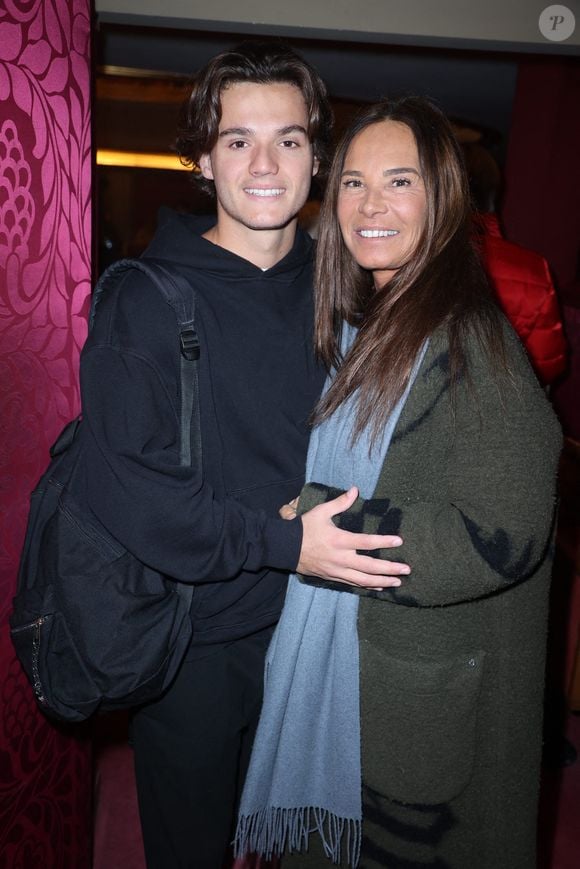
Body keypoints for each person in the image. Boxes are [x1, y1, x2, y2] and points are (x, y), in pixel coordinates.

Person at [81, 43, 408, 869]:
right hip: (196, 641)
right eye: (237, 140)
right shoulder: (144, 299)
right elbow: (131, 492)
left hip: (319, 627)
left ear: (316, 157)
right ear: (201, 156)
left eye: (290, 140)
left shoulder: (344, 289)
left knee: (310, 849)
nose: (265, 164)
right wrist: (287, 543)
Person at [234, 97, 562, 869]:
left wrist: (324, 524)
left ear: (442, 197)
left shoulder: (472, 340)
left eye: (399, 181)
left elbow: (501, 533)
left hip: (418, 706)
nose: (370, 205)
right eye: (352, 182)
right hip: (364, 677)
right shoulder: (370, 319)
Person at [461, 140, 567, 386]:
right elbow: (548, 367)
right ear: (493, 194)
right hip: (498, 408)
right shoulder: (532, 269)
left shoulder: (401, 254)